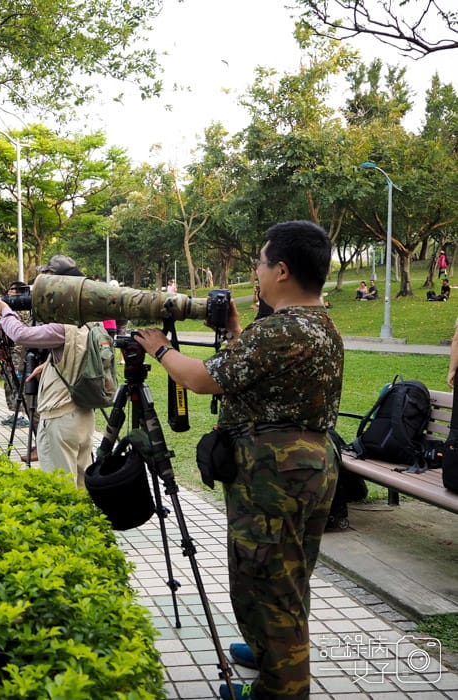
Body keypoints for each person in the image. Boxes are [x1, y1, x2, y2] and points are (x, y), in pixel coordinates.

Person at [133, 220, 343, 700]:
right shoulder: (318, 323)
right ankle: (268, 651)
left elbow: (203, 379)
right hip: (309, 464)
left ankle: (280, 689)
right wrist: (234, 331)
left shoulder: (281, 329)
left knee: (269, 579)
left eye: (261, 262)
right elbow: (254, 373)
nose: (257, 272)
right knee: (289, 572)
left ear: (283, 270)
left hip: (276, 471)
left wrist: (159, 349)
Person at [0, 254, 95, 487]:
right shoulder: (90, 319)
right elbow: (77, 354)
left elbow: (21, 335)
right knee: (81, 483)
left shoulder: (63, 324)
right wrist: (50, 364)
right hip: (84, 414)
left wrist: (5, 311)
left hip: (60, 417)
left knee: (60, 487)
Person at [0, 281, 31, 428]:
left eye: (12, 290)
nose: (9, 292)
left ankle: (22, 413)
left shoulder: (23, 309)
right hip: (10, 350)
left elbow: (21, 331)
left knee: (19, 381)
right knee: (9, 381)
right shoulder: (11, 308)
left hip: (19, 352)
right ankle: (14, 411)